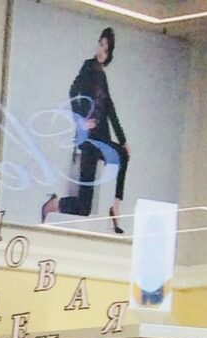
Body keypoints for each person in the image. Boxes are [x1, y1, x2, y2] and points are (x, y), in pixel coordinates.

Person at [42, 27, 128, 231]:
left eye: (106, 49)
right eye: (101, 45)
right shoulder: (89, 67)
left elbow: (110, 109)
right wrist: (80, 120)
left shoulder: (102, 76)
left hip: (100, 139)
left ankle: (115, 206)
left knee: (123, 154)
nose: (102, 51)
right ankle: (53, 205)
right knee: (84, 207)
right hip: (89, 139)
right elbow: (73, 91)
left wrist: (123, 139)